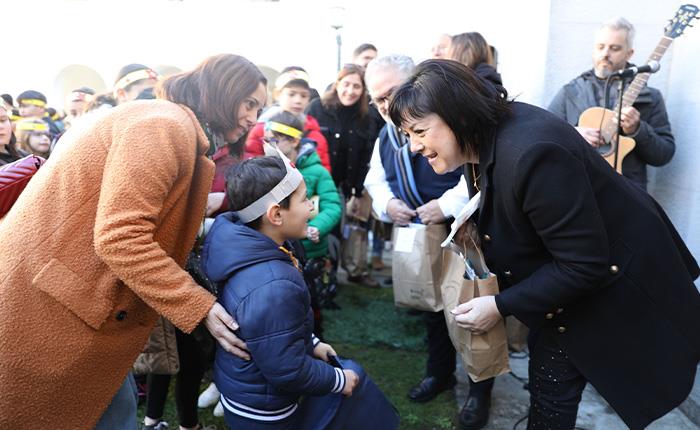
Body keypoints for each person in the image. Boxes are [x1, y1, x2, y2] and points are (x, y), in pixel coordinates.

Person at [388, 58, 700, 430]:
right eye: (408, 135)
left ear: (458, 115)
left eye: (419, 131)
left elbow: (583, 264)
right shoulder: (485, 138)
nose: (414, 147)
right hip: (565, 292)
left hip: (616, 286)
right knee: (548, 392)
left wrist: (499, 305)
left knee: (557, 400)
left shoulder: (532, 153)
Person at [0, 53, 265, 429]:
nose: (253, 118)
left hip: (68, 306)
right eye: (249, 103)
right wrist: (199, 305)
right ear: (223, 90)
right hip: (53, 313)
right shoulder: (164, 126)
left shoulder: (168, 124)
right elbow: (120, 237)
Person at [201, 154, 397, 430]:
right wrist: (339, 380)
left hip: (245, 390)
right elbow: (287, 369)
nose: (310, 209)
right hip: (266, 412)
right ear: (276, 215)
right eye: (305, 200)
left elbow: (272, 330)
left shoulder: (256, 244)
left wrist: (313, 343)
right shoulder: (274, 285)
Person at [365, 54, 497, 430]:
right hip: (420, 234)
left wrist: (444, 205)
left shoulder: (446, 121)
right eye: (378, 100)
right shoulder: (385, 135)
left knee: (473, 311)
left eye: (392, 93)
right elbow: (375, 179)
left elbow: (474, 168)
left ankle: (479, 391)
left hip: (465, 229)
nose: (387, 105)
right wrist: (387, 203)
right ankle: (439, 374)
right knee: (431, 309)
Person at [548, 17, 674, 190]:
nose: (605, 53)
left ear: (629, 53)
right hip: (577, 186)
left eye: (614, 48)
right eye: (600, 47)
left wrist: (637, 130)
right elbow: (544, 136)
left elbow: (664, 154)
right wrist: (573, 134)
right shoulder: (570, 92)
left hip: (627, 192)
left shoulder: (650, 98)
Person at [307, 64, 380, 287]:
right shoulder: (318, 108)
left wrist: (357, 191)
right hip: (319, 182)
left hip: (346, 185)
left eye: (356, 86)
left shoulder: (368, 117)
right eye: (346, 84)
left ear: (363, 90)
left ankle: (339, 277)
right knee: (322, 230)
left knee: (347, 232)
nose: (350, 90)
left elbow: (367, 155)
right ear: (337, 84)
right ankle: (321, 278)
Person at [245, 66, 332, 172]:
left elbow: (323, 173)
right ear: (277, 94)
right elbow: (249, 166)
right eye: (291, 94)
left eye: (303, 96)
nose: (298, 100)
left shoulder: (316, 137)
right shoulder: (260, 130)